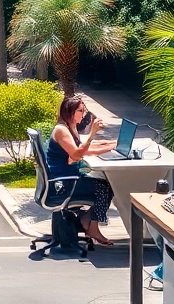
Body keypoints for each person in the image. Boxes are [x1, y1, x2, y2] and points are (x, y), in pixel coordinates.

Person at [45, 95, 118, 246]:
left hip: (70, 176)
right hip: (64, 183)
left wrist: (113, 144)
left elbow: (85, 149)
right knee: (104, 187)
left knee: (106, 184)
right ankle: (92, 227)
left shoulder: (71, 128)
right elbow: (77, 154)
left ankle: (87, 221)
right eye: (80, 111)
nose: (83, 114)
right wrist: (92, 134)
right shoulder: (61, 130)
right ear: (70, 112)